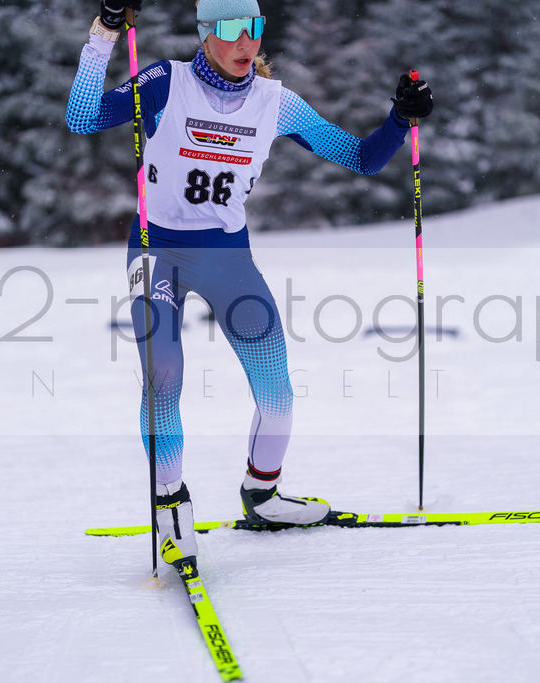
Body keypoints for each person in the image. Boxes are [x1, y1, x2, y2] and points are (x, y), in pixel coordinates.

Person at [66, 0, 433, 567]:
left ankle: (262, 495)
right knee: (163, 377)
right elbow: (82, 117)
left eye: (255, 28)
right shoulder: (166, 81)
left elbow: (360, 158)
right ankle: (170, 503)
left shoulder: (275, 102)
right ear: (206, 33)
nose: (246, 43)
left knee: (276, 389)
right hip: (155, 251)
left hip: (226, 255)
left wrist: (400, 120)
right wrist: (106, 33)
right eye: (233, 29)